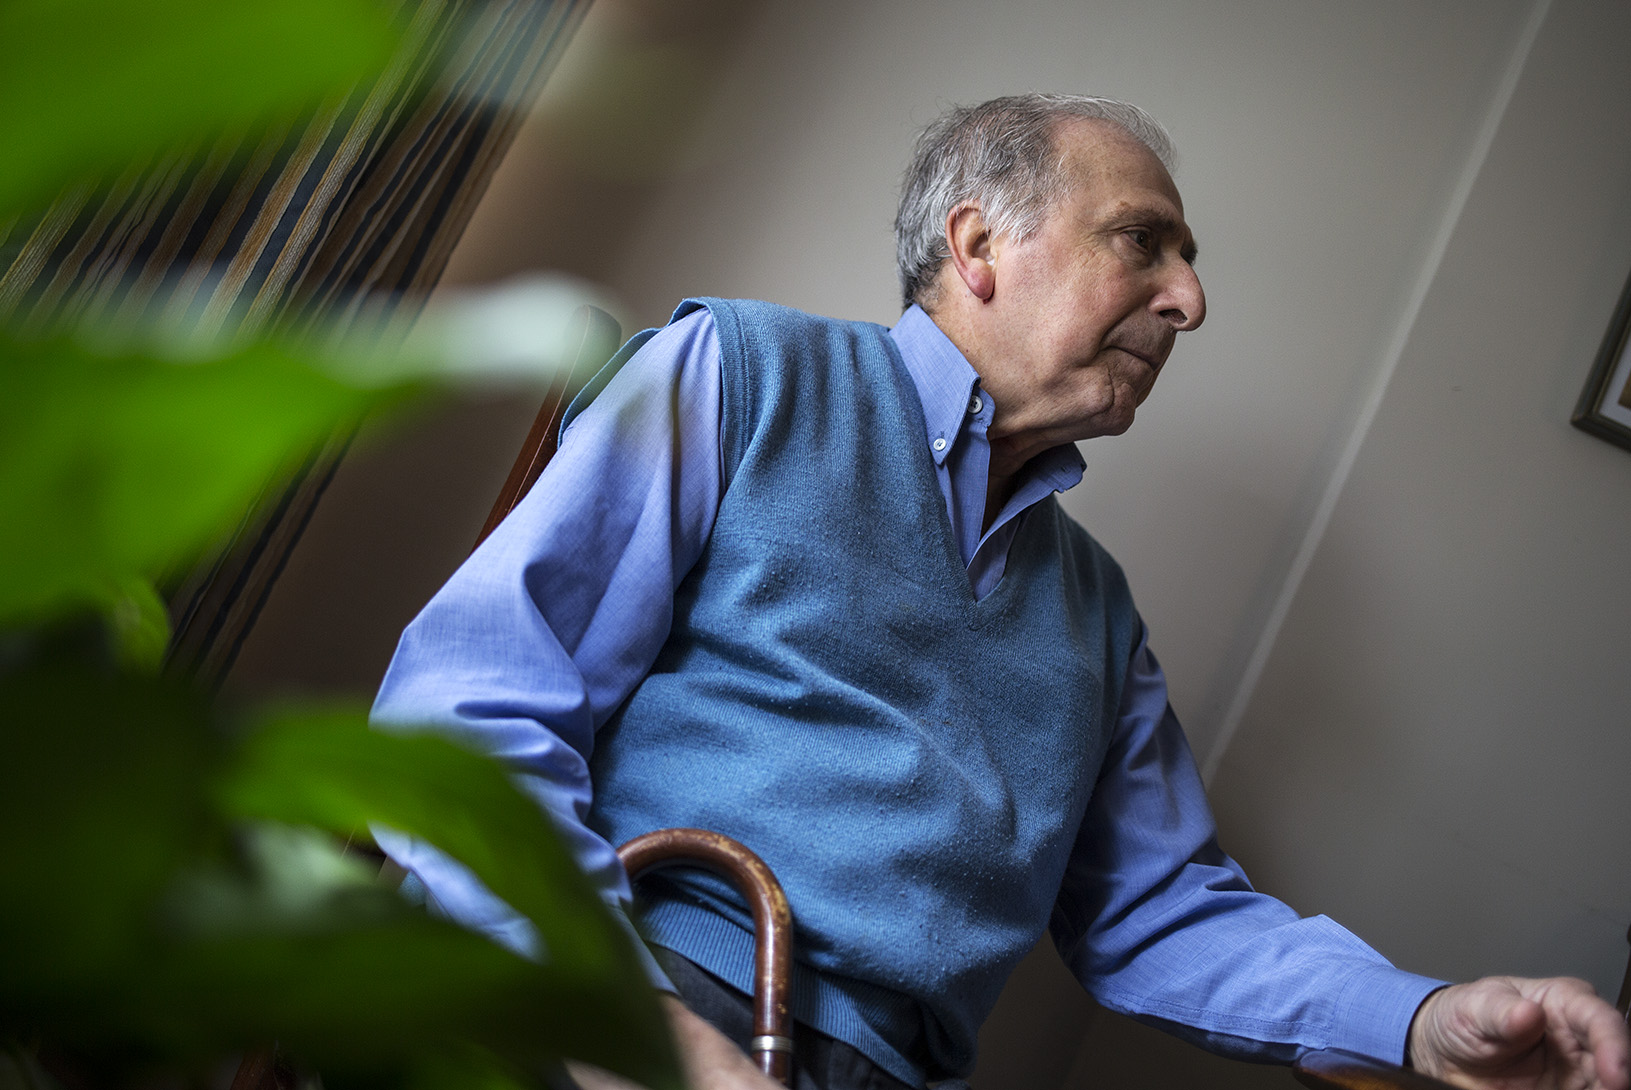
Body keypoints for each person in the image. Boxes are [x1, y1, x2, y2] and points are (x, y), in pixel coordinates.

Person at [372, 94, 1630, 1090]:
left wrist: (1420, 1016)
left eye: (1185, 263)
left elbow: (1161, 913)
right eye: (1142, 241)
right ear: (978, 246)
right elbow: (465, 705)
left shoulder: (1097, 615)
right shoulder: (745, 374)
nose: (1189, 302)